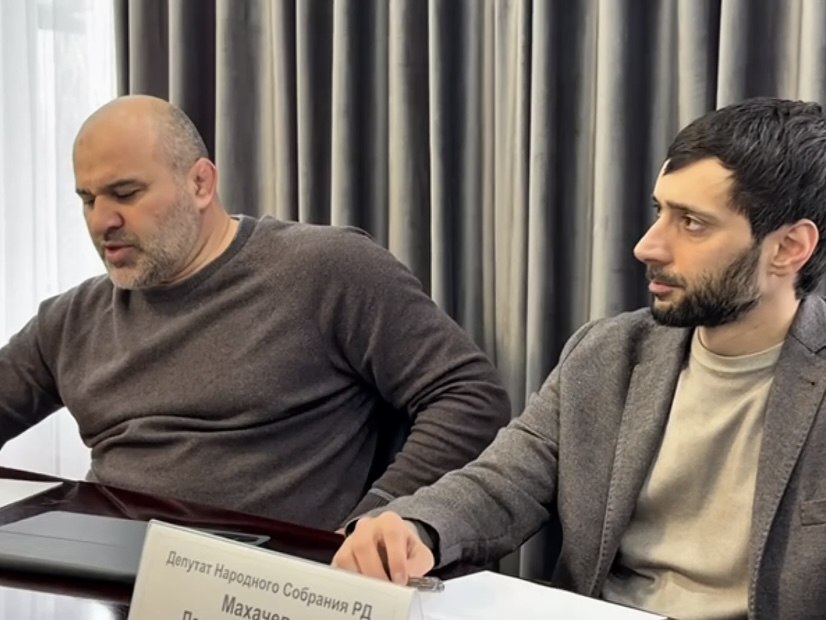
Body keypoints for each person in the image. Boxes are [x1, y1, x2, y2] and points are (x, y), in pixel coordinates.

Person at [332, 97, 826, 619]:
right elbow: (503, 482)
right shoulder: (607, 353)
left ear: (788, 248)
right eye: (660, 212)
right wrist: (416, 527)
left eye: (692, 223)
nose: (647, 246)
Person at [0, 95, 511, 531]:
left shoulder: (327, 271)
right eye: (87, 199)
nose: (101, 221)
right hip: (114, 584)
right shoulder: (71, 322)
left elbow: (470, 396)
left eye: (125, 194)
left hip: (267, 588)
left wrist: (377, 521)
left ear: (201, 184)